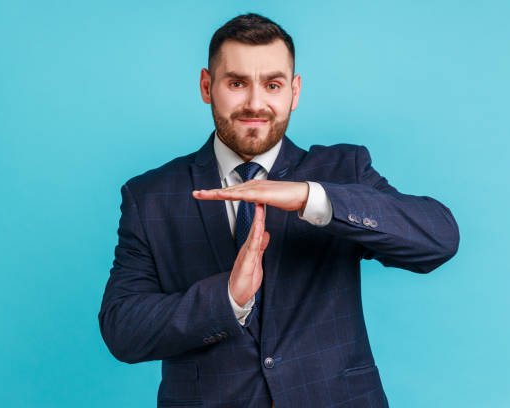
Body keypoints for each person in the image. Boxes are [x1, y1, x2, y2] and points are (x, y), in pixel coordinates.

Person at [98, 13, 459, 408]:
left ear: (295, 91)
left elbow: (438, 239)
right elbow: (122, 328)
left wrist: (314, 199)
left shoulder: (342, 171)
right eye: (237, 83)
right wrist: (228, 299)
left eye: (272, 84)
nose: (256, 103)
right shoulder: (150, 195)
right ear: (207, 85)